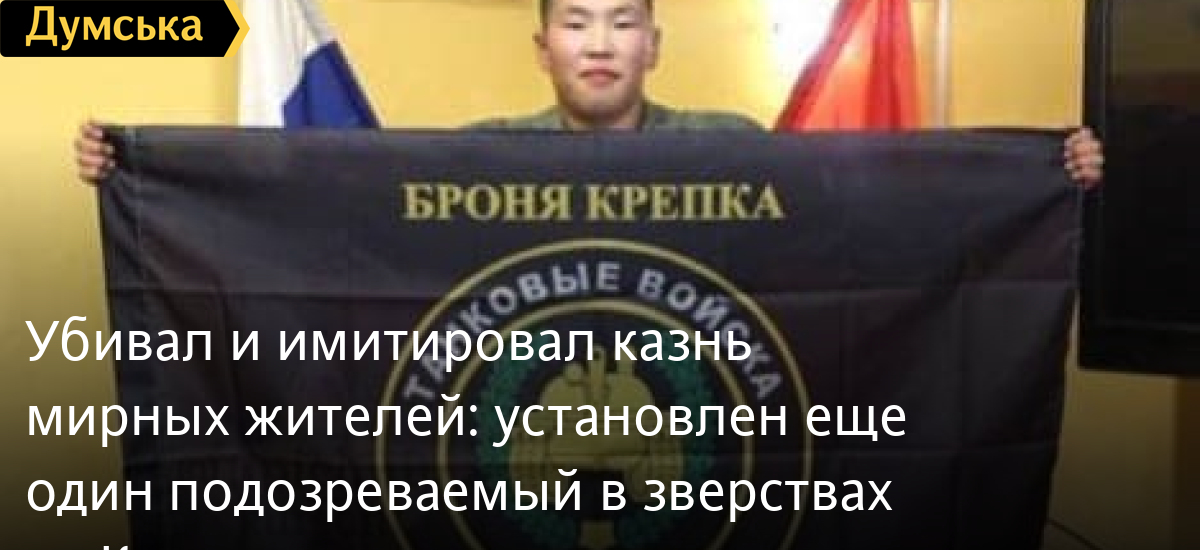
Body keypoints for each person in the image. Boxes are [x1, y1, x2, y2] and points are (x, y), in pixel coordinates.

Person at [75, 0, 1105, 186]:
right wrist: (143, 170)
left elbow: (872, 204)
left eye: (620, 22)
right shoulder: (483, 152)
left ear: (653, 44)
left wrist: (1041, 174)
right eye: (576, 22)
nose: (599, 43)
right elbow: (328, 194)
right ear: (544, 48)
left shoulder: (731, 140)